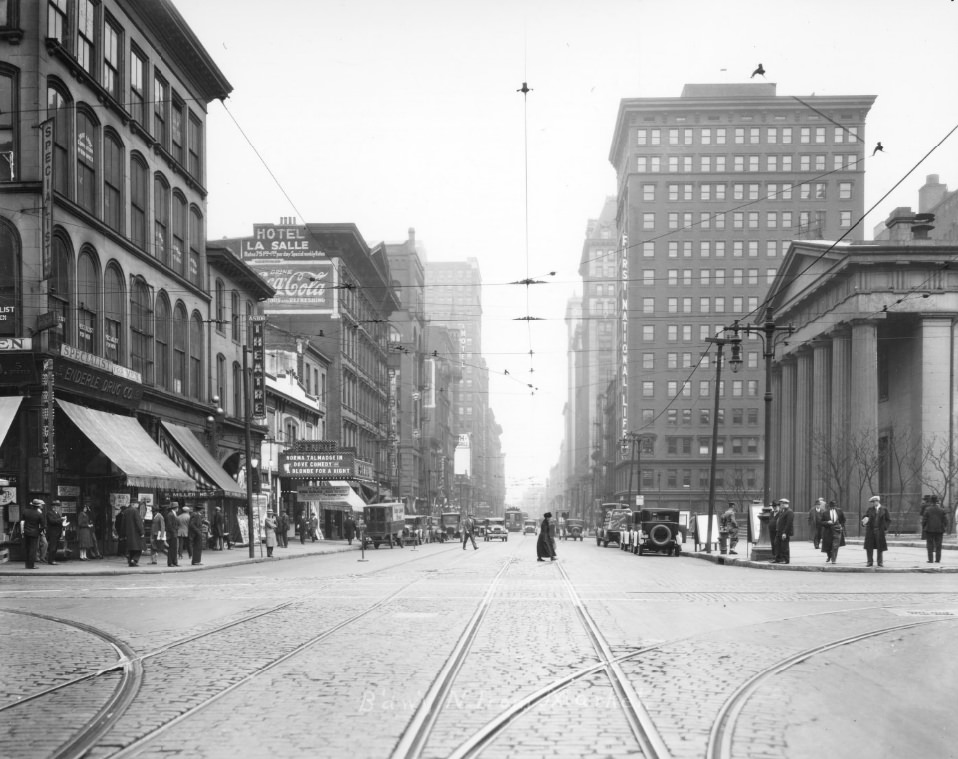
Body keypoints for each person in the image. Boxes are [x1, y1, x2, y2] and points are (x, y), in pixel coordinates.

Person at [862, 495, 891, 567]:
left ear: (878, 501)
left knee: (880, 547)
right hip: (871, 531)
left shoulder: (884, 509)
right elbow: (865, 517)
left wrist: (884, 528)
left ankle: (880, 562)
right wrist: (864, 522)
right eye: (873, 502)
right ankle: (869, 562)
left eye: (875, 501)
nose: (874, 503)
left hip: (880, 531)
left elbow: (888, 520)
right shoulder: (870, 509)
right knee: (869, 547)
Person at [922, 495, 947, 564]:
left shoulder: (927, 509)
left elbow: (924, 520)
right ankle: (938, 559)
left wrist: (924, 527)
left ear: (931, 500)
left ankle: (930, 559)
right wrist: (944, 527)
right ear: (937, 501)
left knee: (930, 545)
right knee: (939, 545)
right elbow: (945, 520)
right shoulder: (941, 510)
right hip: (939, 530)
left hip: (929, 529)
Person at [119, 500, 145, 567]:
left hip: (128, 533)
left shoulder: (126, 511)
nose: (138, 505)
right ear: (133, 504)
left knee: (131, 548)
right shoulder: (135, 511)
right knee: (139, 548)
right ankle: (134, 560)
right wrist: (141, 532)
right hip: (136, 533)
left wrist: (123, 534)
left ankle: (131, 562)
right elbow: (138, 522)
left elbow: (123, 524)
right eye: (137, 504)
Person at [22, 499, 45, 569]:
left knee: (27, 549)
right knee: (33, 549)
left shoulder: (25, 511)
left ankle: (27, 565)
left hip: (26, 532)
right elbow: (44, 525)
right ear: (38, 506)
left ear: (32, 505)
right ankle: (31, 565)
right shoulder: (39, 514)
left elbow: (22, 521)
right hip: (34, 533)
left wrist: (23, 530)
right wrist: (38, 531)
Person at [774, 499, 793, 564]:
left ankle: (786, 560)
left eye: (781, 504)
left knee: (785, 546)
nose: (780, 505)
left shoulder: (789, 512)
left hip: (784, 533)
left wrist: (785, 533)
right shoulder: (783, 511)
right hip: (779, 532)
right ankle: (777, 559)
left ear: (785, 504)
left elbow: (788, 524)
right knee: (777, 545)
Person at [46, 500, 65, 565]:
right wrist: (61, 519)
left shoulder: (57, 513)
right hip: (52, 533)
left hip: (57, 532)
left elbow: (58, 522)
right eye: (57, 506)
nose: (58, 508)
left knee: (55, 547)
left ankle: (53, 559)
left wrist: (63, 524)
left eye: (58, 506)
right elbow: (52, 521)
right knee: (52, 547)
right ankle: (50, 560)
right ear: (53, 507)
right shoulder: (50, 513)